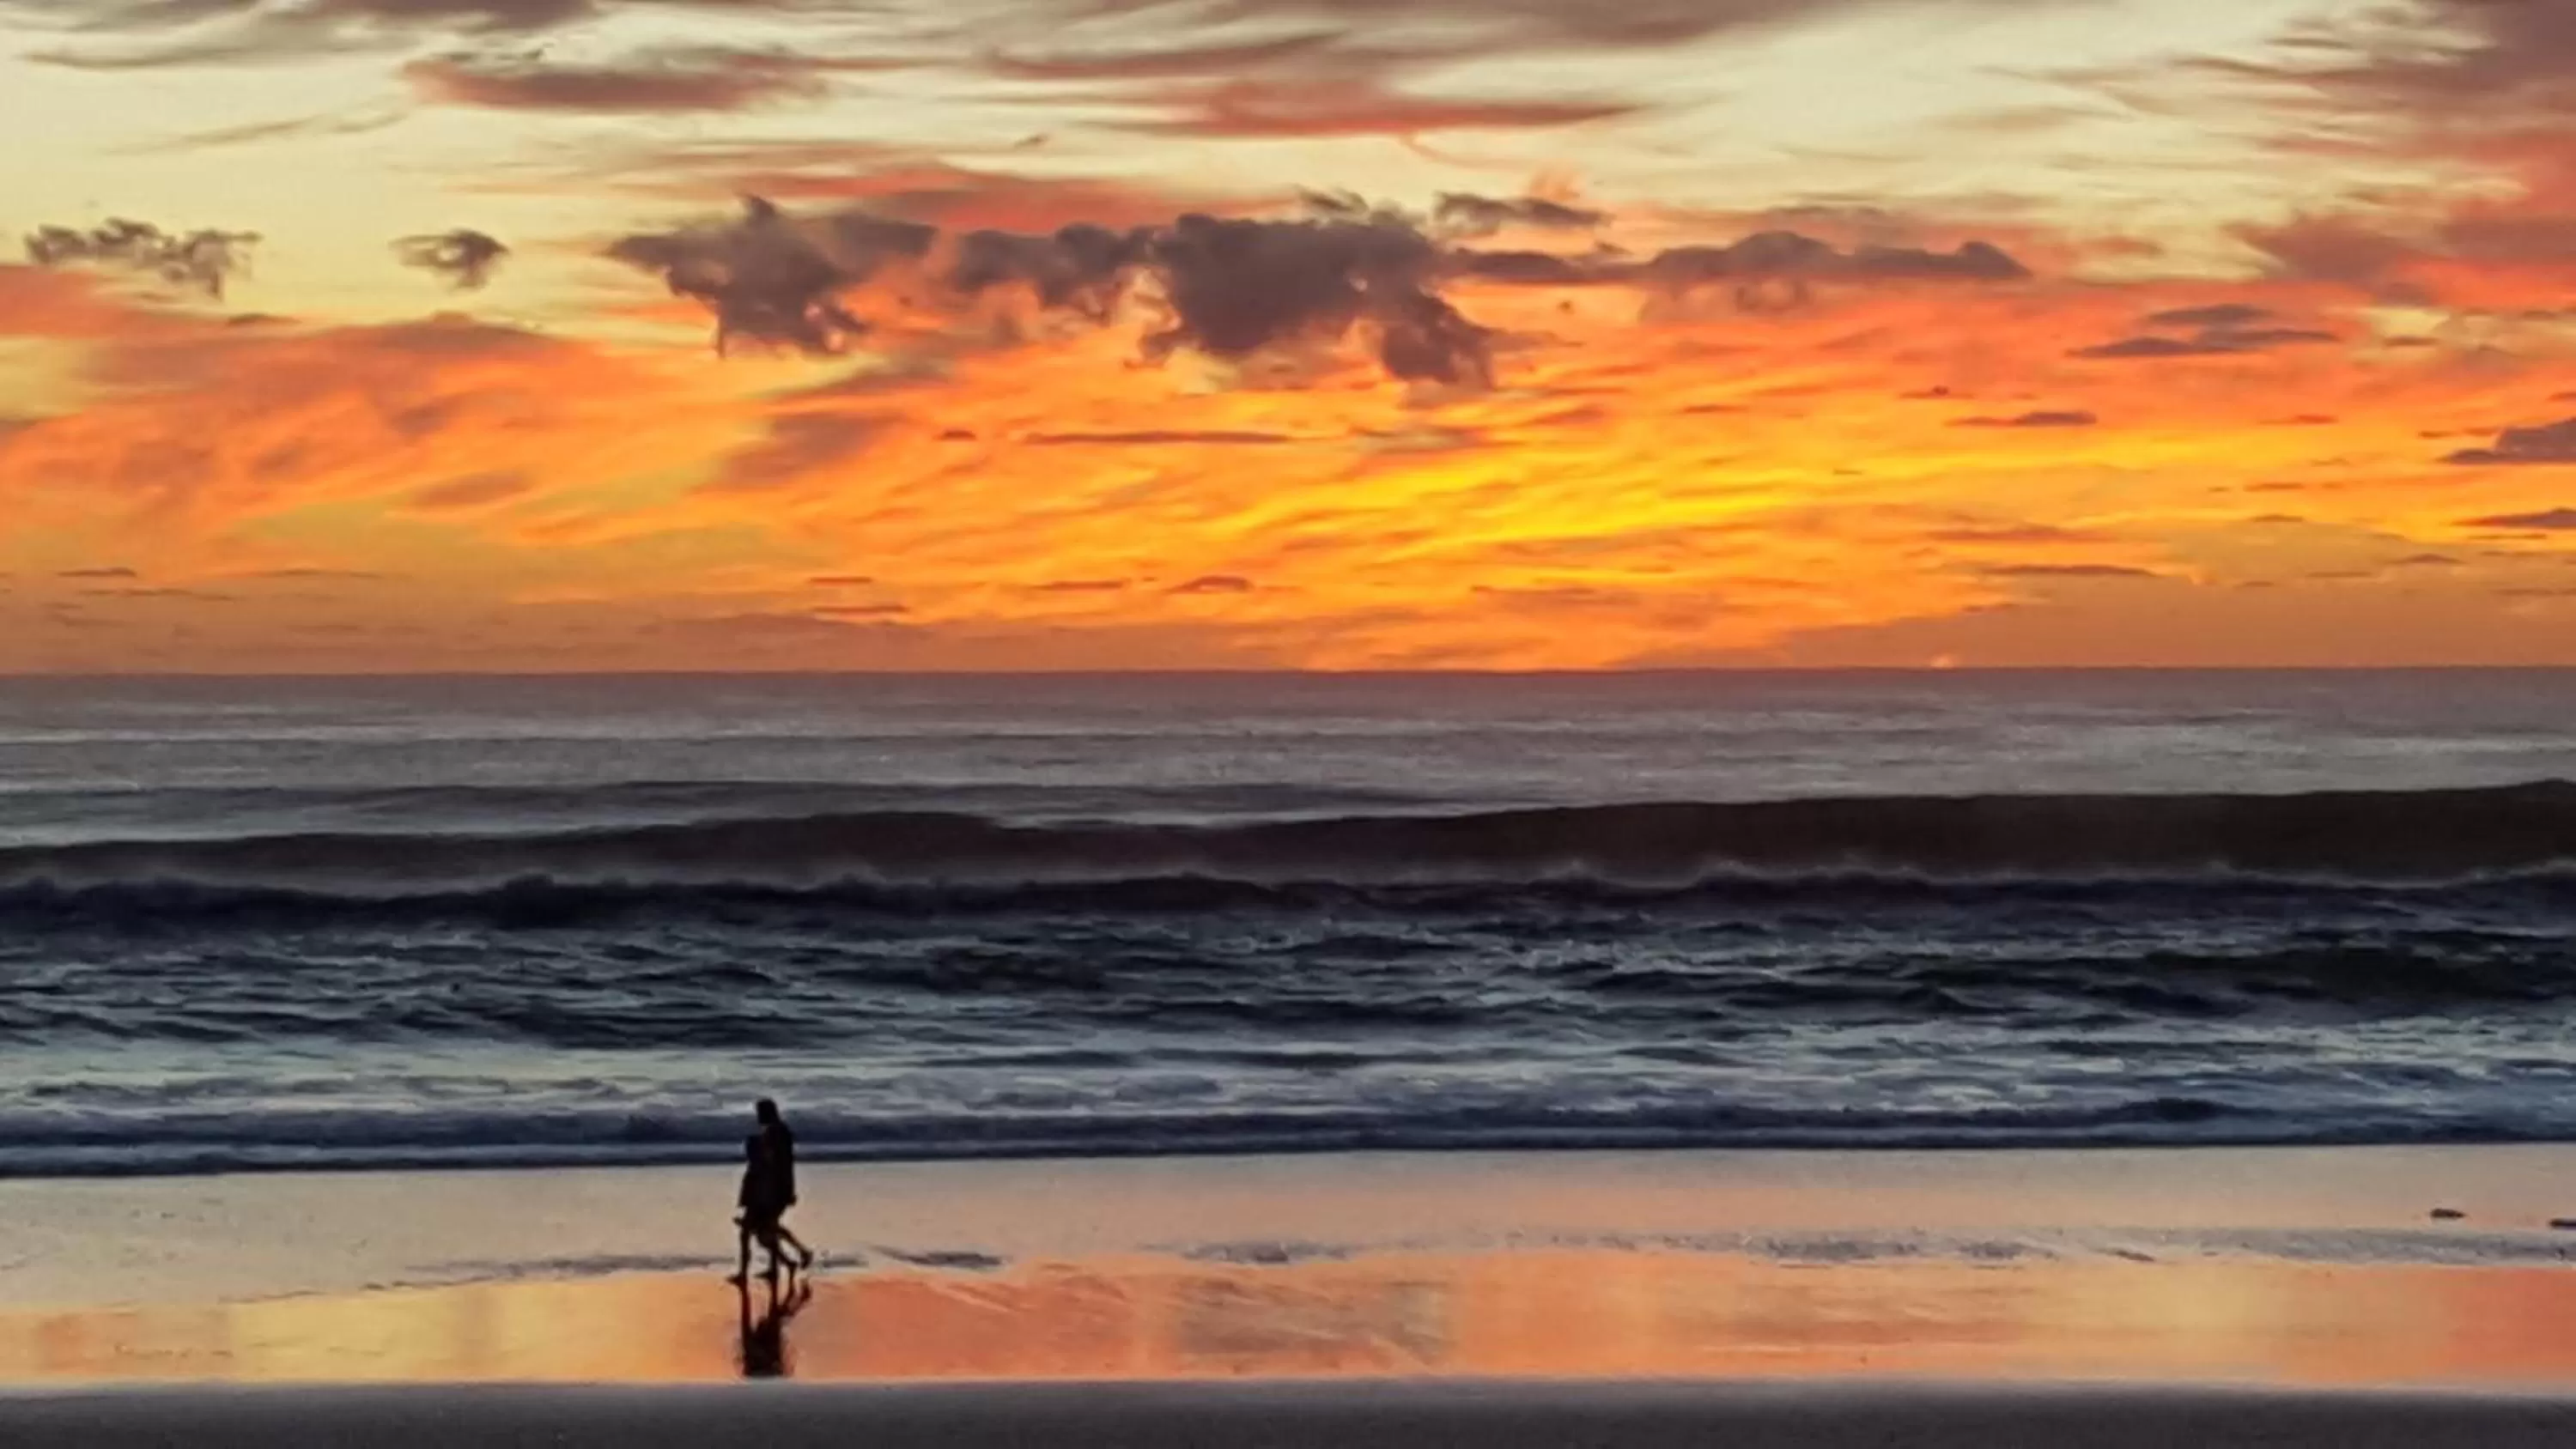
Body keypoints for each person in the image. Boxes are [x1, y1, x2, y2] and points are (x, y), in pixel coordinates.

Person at [754, 1098, 817, 1270]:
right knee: (769, 1228)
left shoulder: (776, 1133)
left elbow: (781, 1164)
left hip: (776, 1189)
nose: (758, 1117)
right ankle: (786, 1261)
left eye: (760, 1113)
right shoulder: (776, 1131)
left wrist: (787, 1189)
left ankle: (798, 1255)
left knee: (766, 1229)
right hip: (773, 1187)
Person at [730, 1131, 787, 1285]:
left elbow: (755, 1191)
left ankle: (744, 1273)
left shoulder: (758, 1168)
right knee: (767, 1239)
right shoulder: (764, 1166)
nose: (747, 1151)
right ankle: (776, 1268)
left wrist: (751, 1211)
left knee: (750, 1238)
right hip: (760, 1208)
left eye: (749, 1149)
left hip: (758, 1209)